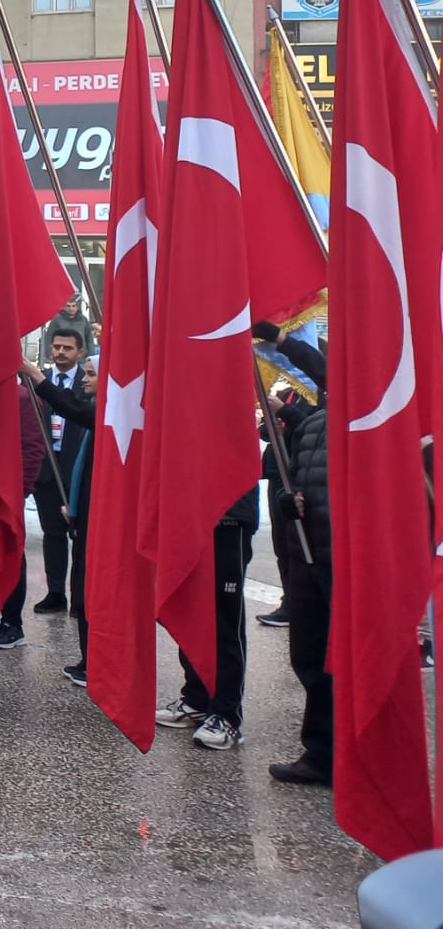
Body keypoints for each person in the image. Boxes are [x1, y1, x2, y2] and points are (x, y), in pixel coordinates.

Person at [264, 332, 331, 787]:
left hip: (343, 562)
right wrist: (290, 501)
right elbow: (292, 479)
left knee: (342, 662)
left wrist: (282, 340)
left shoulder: (366, 418)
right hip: (306, 559)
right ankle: (320, 752)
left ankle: (348, 753)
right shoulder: (312, 424)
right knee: (308, 655)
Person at [155, 481, 261, 751]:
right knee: (192, 612)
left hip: (229, 516)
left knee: (225, 618)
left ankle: (227, 714)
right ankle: (196, 699)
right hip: (193, 515)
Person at [22, 331, 89, 615]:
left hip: (75, 467)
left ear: (80, 351)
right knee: (52, 533)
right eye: (57, 347)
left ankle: (80, 596)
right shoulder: (37, 380)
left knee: (81, 536)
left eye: (67, 348)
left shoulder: (88, 381)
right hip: (47, 468)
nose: (61, 352)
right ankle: (56, 592)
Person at [0, 376, 50, 650]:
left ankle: (12, 623)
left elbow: (33, 447)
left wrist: (20, 489)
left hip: (7, 491)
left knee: (10, 553)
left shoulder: (23, 398)